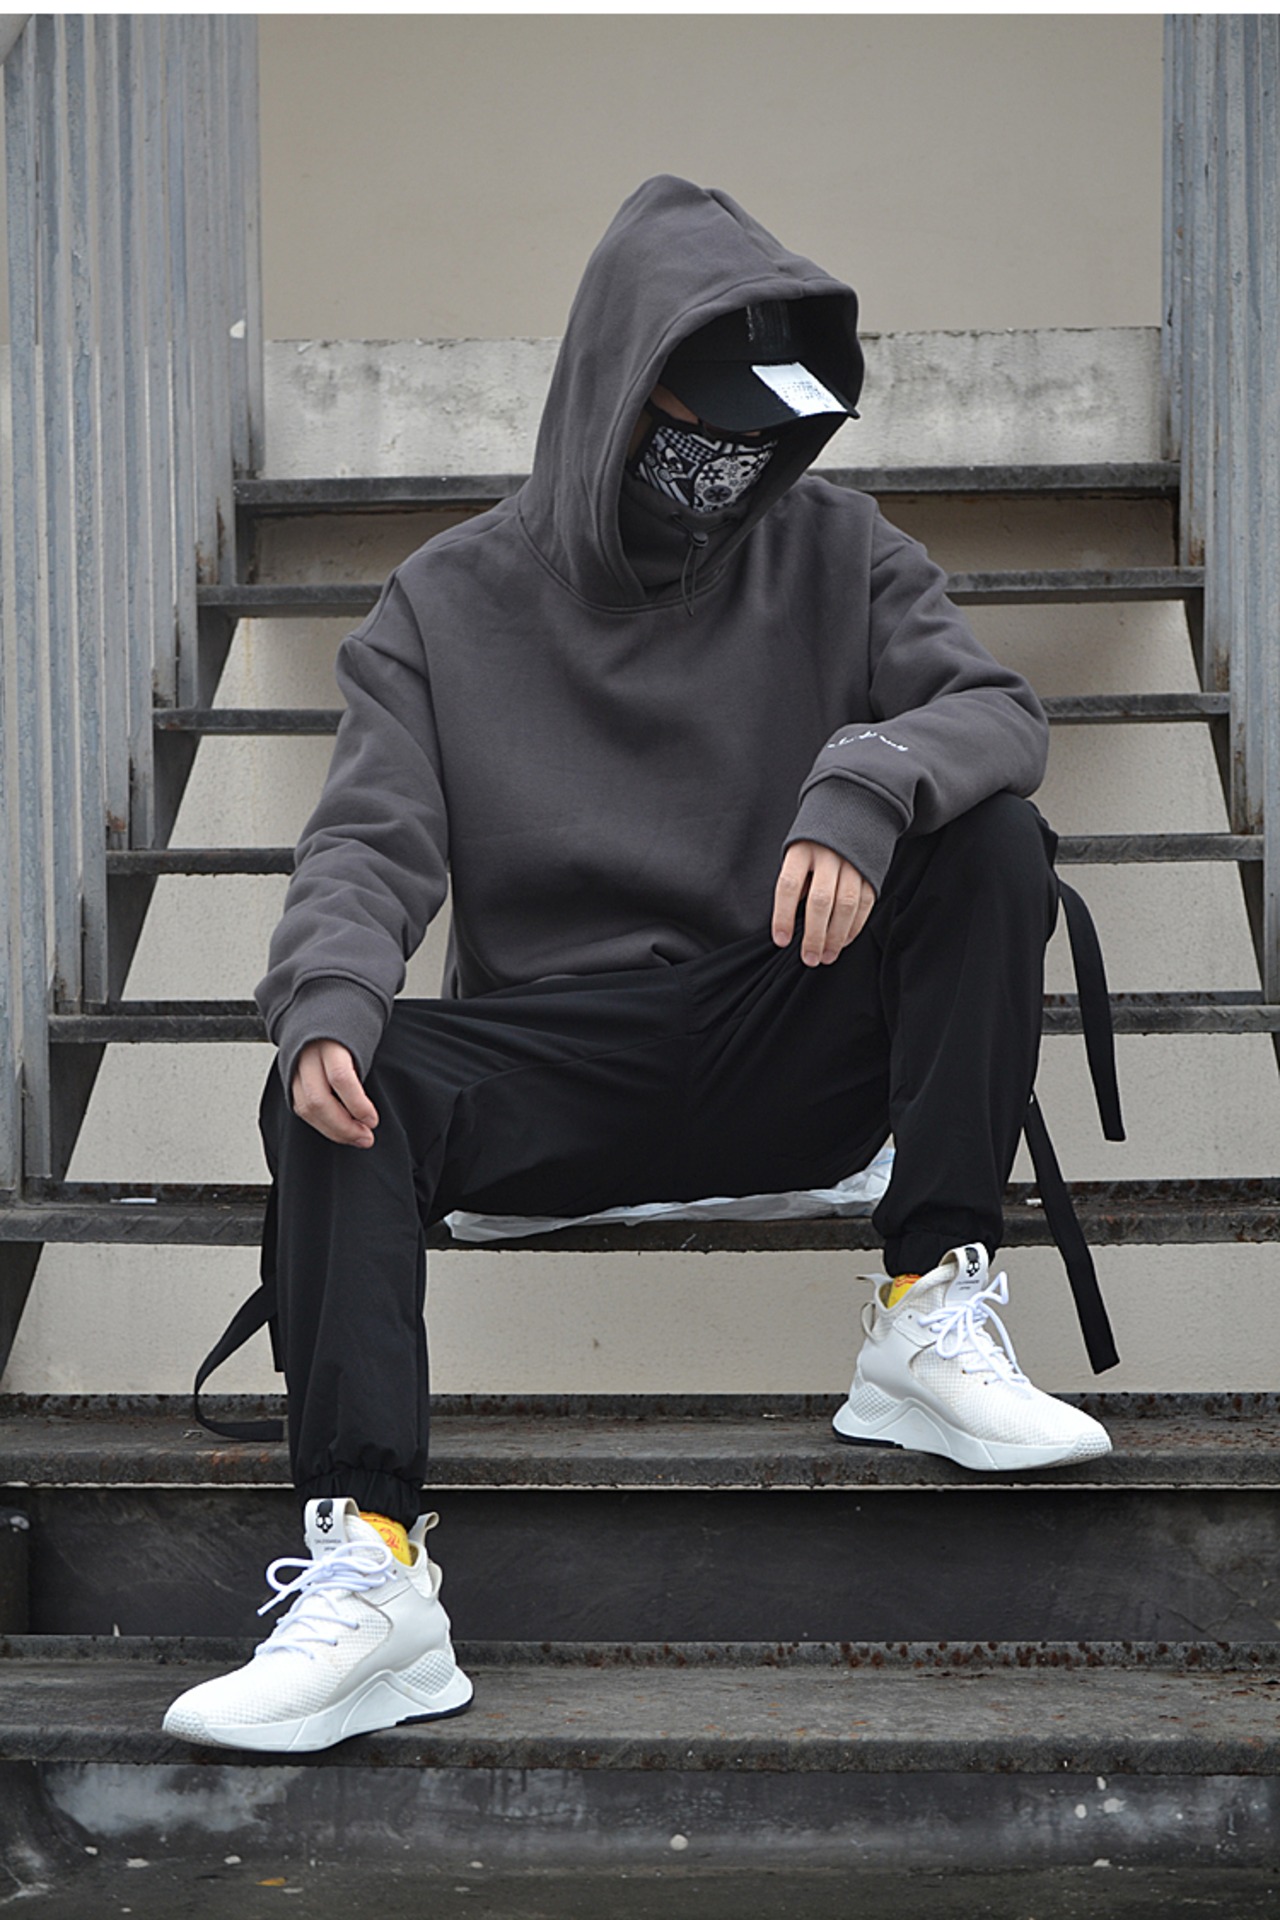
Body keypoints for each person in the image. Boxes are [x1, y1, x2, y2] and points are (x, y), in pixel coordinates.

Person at [163, 176, 1117, 1755]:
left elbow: (995, 713)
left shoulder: (837, 547)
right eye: (702, 420)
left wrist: (866, 784)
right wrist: (326, 993)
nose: (731, 460)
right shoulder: (442, 604)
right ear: (620, 389)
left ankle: (927, 1309)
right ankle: (374, 1577)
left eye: (764, 431)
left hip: (777, 1022)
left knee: (996, 842)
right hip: (561, 1058)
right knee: (335, 1071)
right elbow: (368, 841)